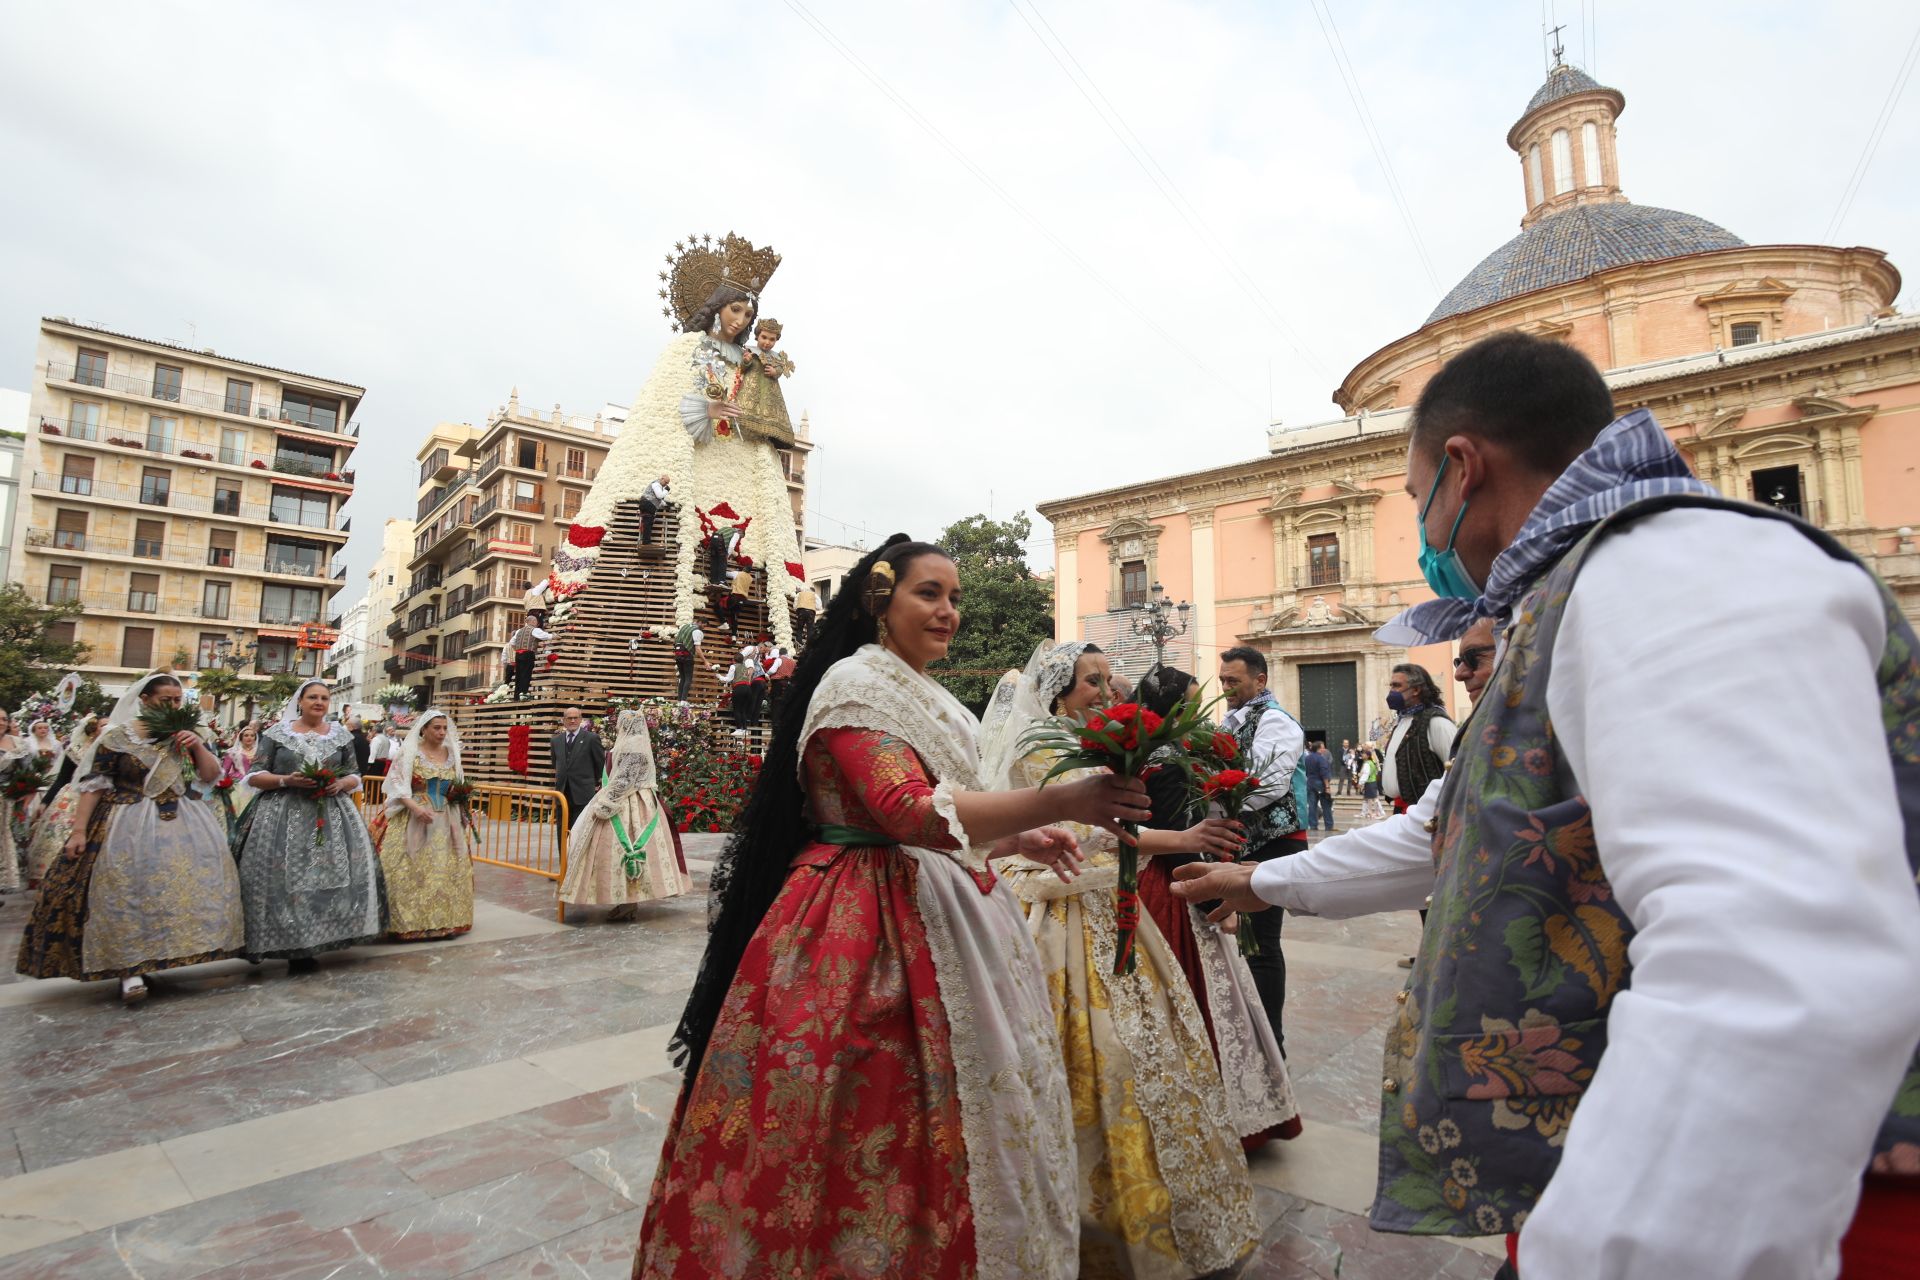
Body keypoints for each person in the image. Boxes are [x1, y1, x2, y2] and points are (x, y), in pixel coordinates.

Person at [1172, 331, 1920, 1279]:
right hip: (1635, 1162)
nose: (1421, 534)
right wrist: (1258, 879)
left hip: (1772, 1199)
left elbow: (1778, 957)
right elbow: (1465, 832)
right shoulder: (1583, 593)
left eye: (1411, 501)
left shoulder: (1668, 567)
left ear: (1461, 468)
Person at [636, 536, 1152, 1280]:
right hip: (861, 923)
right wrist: (1065, 799)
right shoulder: (855, 685)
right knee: (866, 1122)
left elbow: (950, 805)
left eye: (954, 597)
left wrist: (1023, 831)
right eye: (929, 593)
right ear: (880, 600)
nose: (948, 612)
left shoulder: (929, 695)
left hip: (949, 905)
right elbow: (904, 809)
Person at [978, 641, 1262, 1278]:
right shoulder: (1041, 745)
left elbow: (1118, 833)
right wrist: (1182, 836)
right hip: (1059, 914)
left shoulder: (1088, 744)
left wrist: (1181, 834)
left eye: (1109, 680)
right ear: (1058, 692)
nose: (1107, 692)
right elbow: (1092, 835)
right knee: (1087, 1054)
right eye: (1092, 681)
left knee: (1146, 1053)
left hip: (1110, 904)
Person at [1132, 664, 1302, 1152]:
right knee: (1201, 985)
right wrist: (1213, 890)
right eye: (1191, 702)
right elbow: (1178, 838)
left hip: (1173, 876)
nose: (1206, 705)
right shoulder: (1167, 761)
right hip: (1176, 882)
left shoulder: (1158, 752)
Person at [16, 673, 244, 1002]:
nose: (173, 705)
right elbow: (93, 787)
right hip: (127, 820)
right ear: (145, 700)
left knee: (172, 892)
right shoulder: (118, 738)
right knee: (126, 892)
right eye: (166, 699)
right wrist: (79, 831)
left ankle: (167, 952)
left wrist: (196, 746)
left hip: (183, 820)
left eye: (178, 700)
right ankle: (127, 969)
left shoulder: (192, 735)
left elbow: (209, 777)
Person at [233, 679, 380, 972]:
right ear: (299, 701)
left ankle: (323, 937)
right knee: (284, 877)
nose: (319, 702)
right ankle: (290, 944)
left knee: (327, 877)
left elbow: (354, 775)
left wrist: (340, 783)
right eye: (312, 697)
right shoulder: (276, 734)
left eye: (324, 698)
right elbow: (255, 775)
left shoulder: (340, 735)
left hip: (331, 813)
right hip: (282, 813)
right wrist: (286, 780)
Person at [1216, 645, 1307, 1058]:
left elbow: (1268, 782)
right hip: (1242, 837)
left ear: (1260, 680)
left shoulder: (1275, 720)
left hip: (1273, 839)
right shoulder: (1234, 720)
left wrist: (1216, 802)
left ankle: (1273, 1045)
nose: (1226, 688)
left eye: (1233, 681)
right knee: (1246, 941)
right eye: (1223, 681)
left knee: (1262, 942)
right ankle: (1251, 1032)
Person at [560, 709, 686, 921]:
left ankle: (628, 900)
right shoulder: (631, 742)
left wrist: (607, 803)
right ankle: (627, 901)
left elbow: (625, 780)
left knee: (621, 847)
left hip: (630, 801)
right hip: (635, 798)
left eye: (620, 722)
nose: (617, 726)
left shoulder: (633, 745)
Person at [377, 709, 474, 941]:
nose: (442, 732)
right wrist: (416, 808)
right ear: (424, 729)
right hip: (414, 813)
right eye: (436, 728)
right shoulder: (410, 752)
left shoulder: (452, 753)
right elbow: (397, 784)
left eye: (444, 728)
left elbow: (457, 782)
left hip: (445, 816)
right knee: (410, 868)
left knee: (446, 868)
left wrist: (462, 804)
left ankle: (445, 920)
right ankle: (409, 923)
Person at [25, 714, 101, 887]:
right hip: (72, 797)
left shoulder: (110, 748)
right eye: (101, 726)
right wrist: (45, 802)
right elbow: (62, 778)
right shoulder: (76, 750)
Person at [1382, 663, 1455, 815]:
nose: (1391, 691)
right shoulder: (1401, 722)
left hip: (1427, 814)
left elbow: (1458, 770)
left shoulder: (1436, 723)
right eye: (1391, 686)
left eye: (1397, 686)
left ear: (1416, 689)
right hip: (1402, 811)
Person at [549, 706, 603, 828]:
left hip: (583, 794)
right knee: (562, 829)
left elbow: (599, 763)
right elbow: (555, 763)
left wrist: (594, 783)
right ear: (564, 720)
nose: (572, 721)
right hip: (562, 793)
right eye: (569, 718)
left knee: (579, 829)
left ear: (580, 719)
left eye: (575, 718)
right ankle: (563, 848)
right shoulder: (556, 741)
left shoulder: (591, 738)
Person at [508, 617, 552, 700]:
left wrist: (517, 649)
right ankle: (523, 695)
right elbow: (544, 636)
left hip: (518, 654)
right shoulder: (535, 630)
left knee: (519, 675)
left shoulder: (519, 631)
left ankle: (516, 696)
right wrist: (554, 636)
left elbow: (512, 643)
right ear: (532, 621)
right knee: (526, 674)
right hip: (528, 654)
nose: (536, 622)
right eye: (535, 620)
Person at [1301, 740, 1336, 831]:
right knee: (1326, 805)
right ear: (1319, 749)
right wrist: (1327, 787)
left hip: (1310, 783)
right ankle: (1328, 825)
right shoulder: (1321, 759)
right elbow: (1324, 773)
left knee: (1312, 805)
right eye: (1323, 747)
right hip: (1320, 784)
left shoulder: (1307, 758)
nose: (1324, 749)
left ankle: (1313, 825)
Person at [671, 622, 703, 702]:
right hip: (687, 656)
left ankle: (679, 700)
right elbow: (697, 648)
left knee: (682, 678)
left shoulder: (684, 626)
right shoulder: (696, 631)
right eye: (704, 625)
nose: (704, 627)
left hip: (678, 655)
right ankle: (683, 701)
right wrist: (705, 661)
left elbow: (676, 640)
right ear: (701, 622)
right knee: (688, 678)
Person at [765, 645, 796, 724]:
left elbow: (772, 670)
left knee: (776, 701)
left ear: (779, 654)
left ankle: (775, 720)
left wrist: (767, 673)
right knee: (784, 701)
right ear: (787, 653)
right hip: (788, 683)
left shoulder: (779, 659)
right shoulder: (793, 662)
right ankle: (782, 720)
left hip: (778, 683)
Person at [639, 473, 672, 545]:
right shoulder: (656, 484)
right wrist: (666, 491)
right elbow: (659, 496)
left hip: (648, 504)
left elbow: (658, 499)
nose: (666, 484)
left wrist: (665, 505)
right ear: (662, 479)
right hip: (647, 504)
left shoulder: (659, 486)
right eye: (665, 482)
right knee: (648, 523)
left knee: (649, 523)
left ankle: (646, 541)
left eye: (667, 483)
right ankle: (646, 542)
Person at [1356, 747, 1385, 820]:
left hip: (1370, 783)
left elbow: (1366, 774)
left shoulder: (1368, 764)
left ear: (1367, 756)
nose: (1362, 755)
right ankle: (1364, 813)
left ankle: (1382, 813)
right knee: (1366, 798)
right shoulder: (1371, 763)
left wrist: (1360, 783)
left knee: (1375, 799)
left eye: (1364, 754)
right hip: (1371, 782)